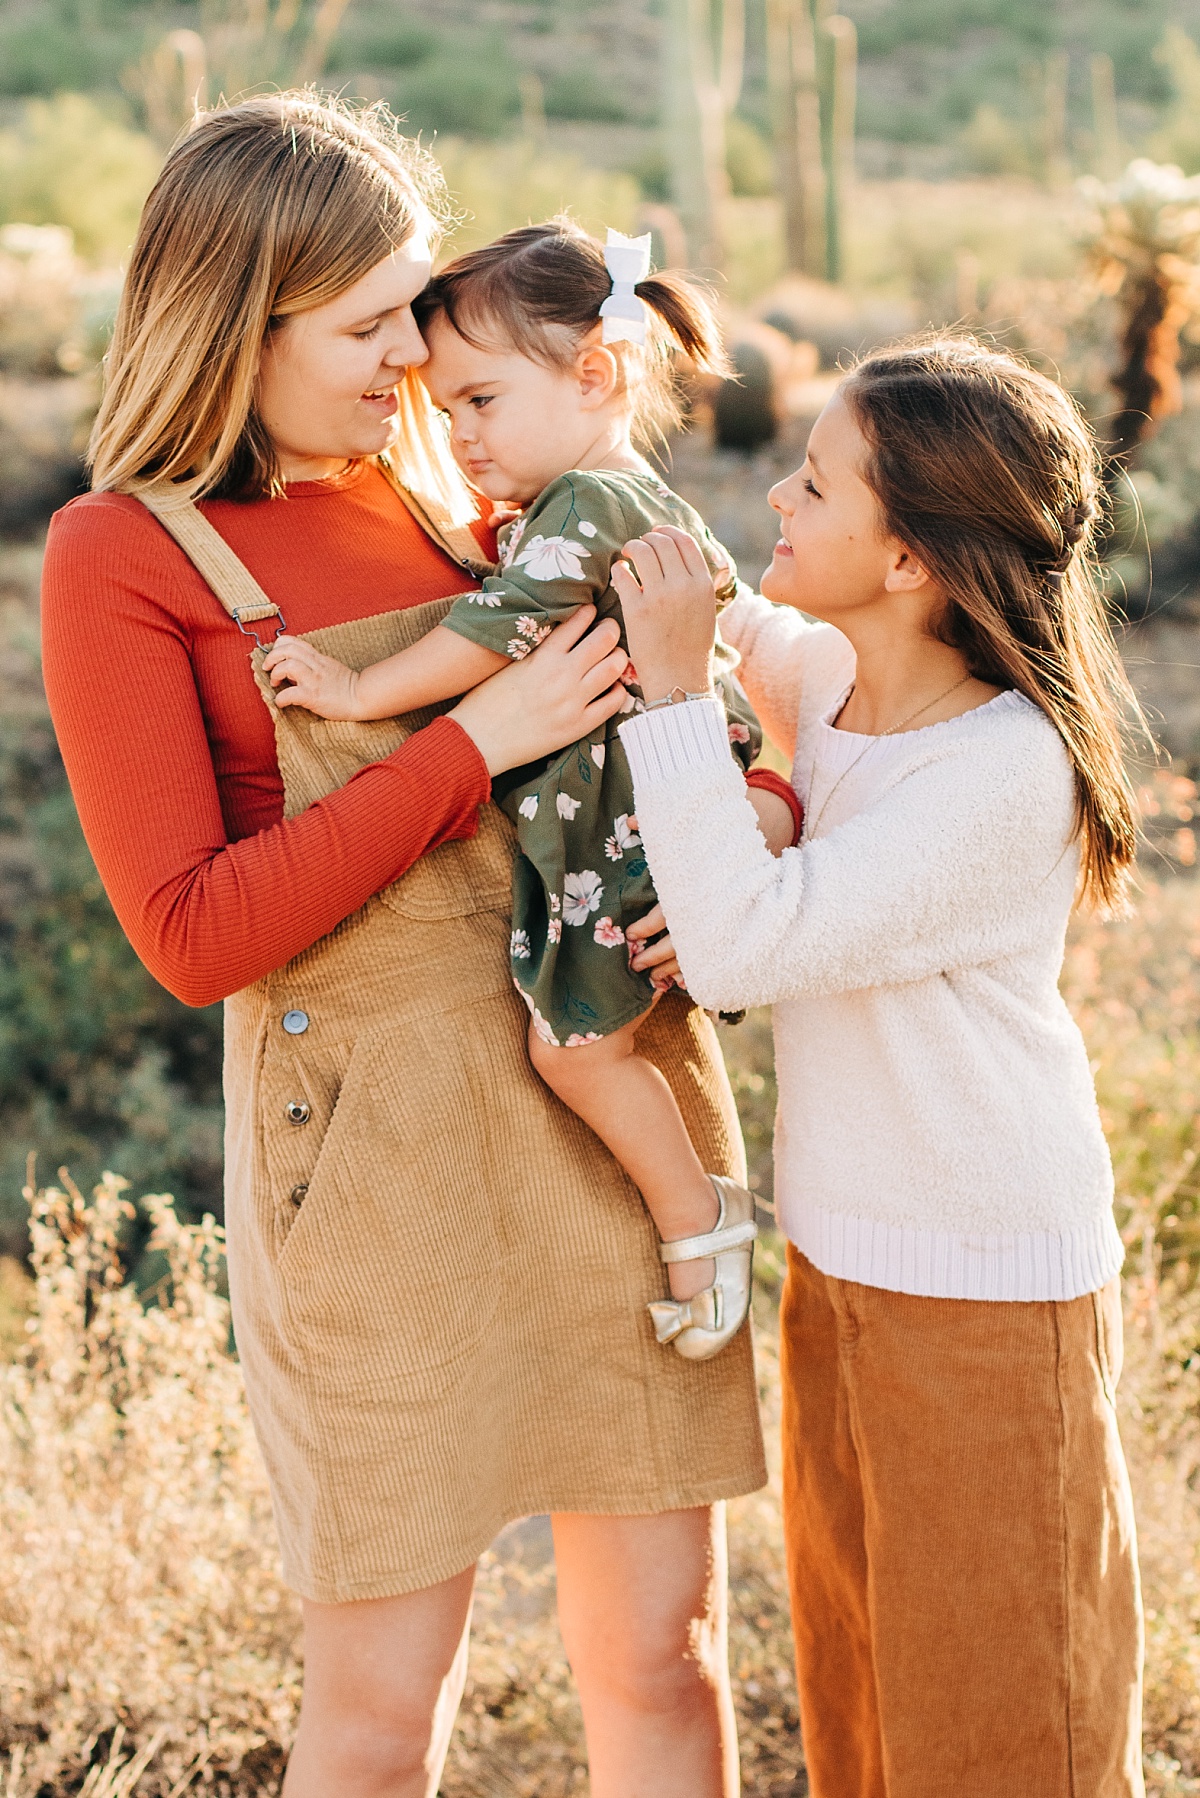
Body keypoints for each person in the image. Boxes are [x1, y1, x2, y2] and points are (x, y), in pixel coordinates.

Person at [40, 92, 771, 1798]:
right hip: (366, 1160)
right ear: (239, 316)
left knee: (661, 1661)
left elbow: (728, 654)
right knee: (380, 1717)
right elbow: (194, 933)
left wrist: (767, 811)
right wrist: (472, 741)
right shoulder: (123, 557)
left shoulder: (470, 493)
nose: (406, 357)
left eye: (413, 312)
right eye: (367, 325)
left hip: (603, 1104)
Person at [613, 337, 1145, 1796]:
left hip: (986, 1292)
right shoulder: (838, 675)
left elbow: (735, 943)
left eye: (815, 480)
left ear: (907, 557)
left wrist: (671, 695)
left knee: (1000, 1726)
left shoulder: (1003, 772)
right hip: (847, 1273)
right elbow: (733, 613)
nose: (774, 495)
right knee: (868, 1707)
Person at [262, 219, 795, 1360]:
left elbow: (492, 635)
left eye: (481, 402)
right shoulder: (618, 499)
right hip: (641, 816)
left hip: (632, 830)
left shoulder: (590, 509)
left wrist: (357, 694)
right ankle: (695, 1220)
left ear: (592, 374)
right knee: (579, 1046)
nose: (456, 435)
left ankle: (699, 1222)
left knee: (574, 1051)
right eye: (446, 411)